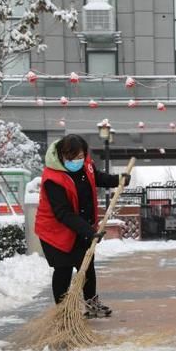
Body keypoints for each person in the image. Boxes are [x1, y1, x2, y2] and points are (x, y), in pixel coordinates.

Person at [35, 134, 130, 318]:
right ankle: (63, 310)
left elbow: (97, 177)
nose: (76, 161)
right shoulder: (52, 179)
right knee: (63, 269)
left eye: (79, 157)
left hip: (81, 226)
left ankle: (91, 305)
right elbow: (63, 213)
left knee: (86, 266)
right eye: (71, 158)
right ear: (62, 155)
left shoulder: (86, 164)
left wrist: (118, 179)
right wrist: (89, 230)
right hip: (56, 231)